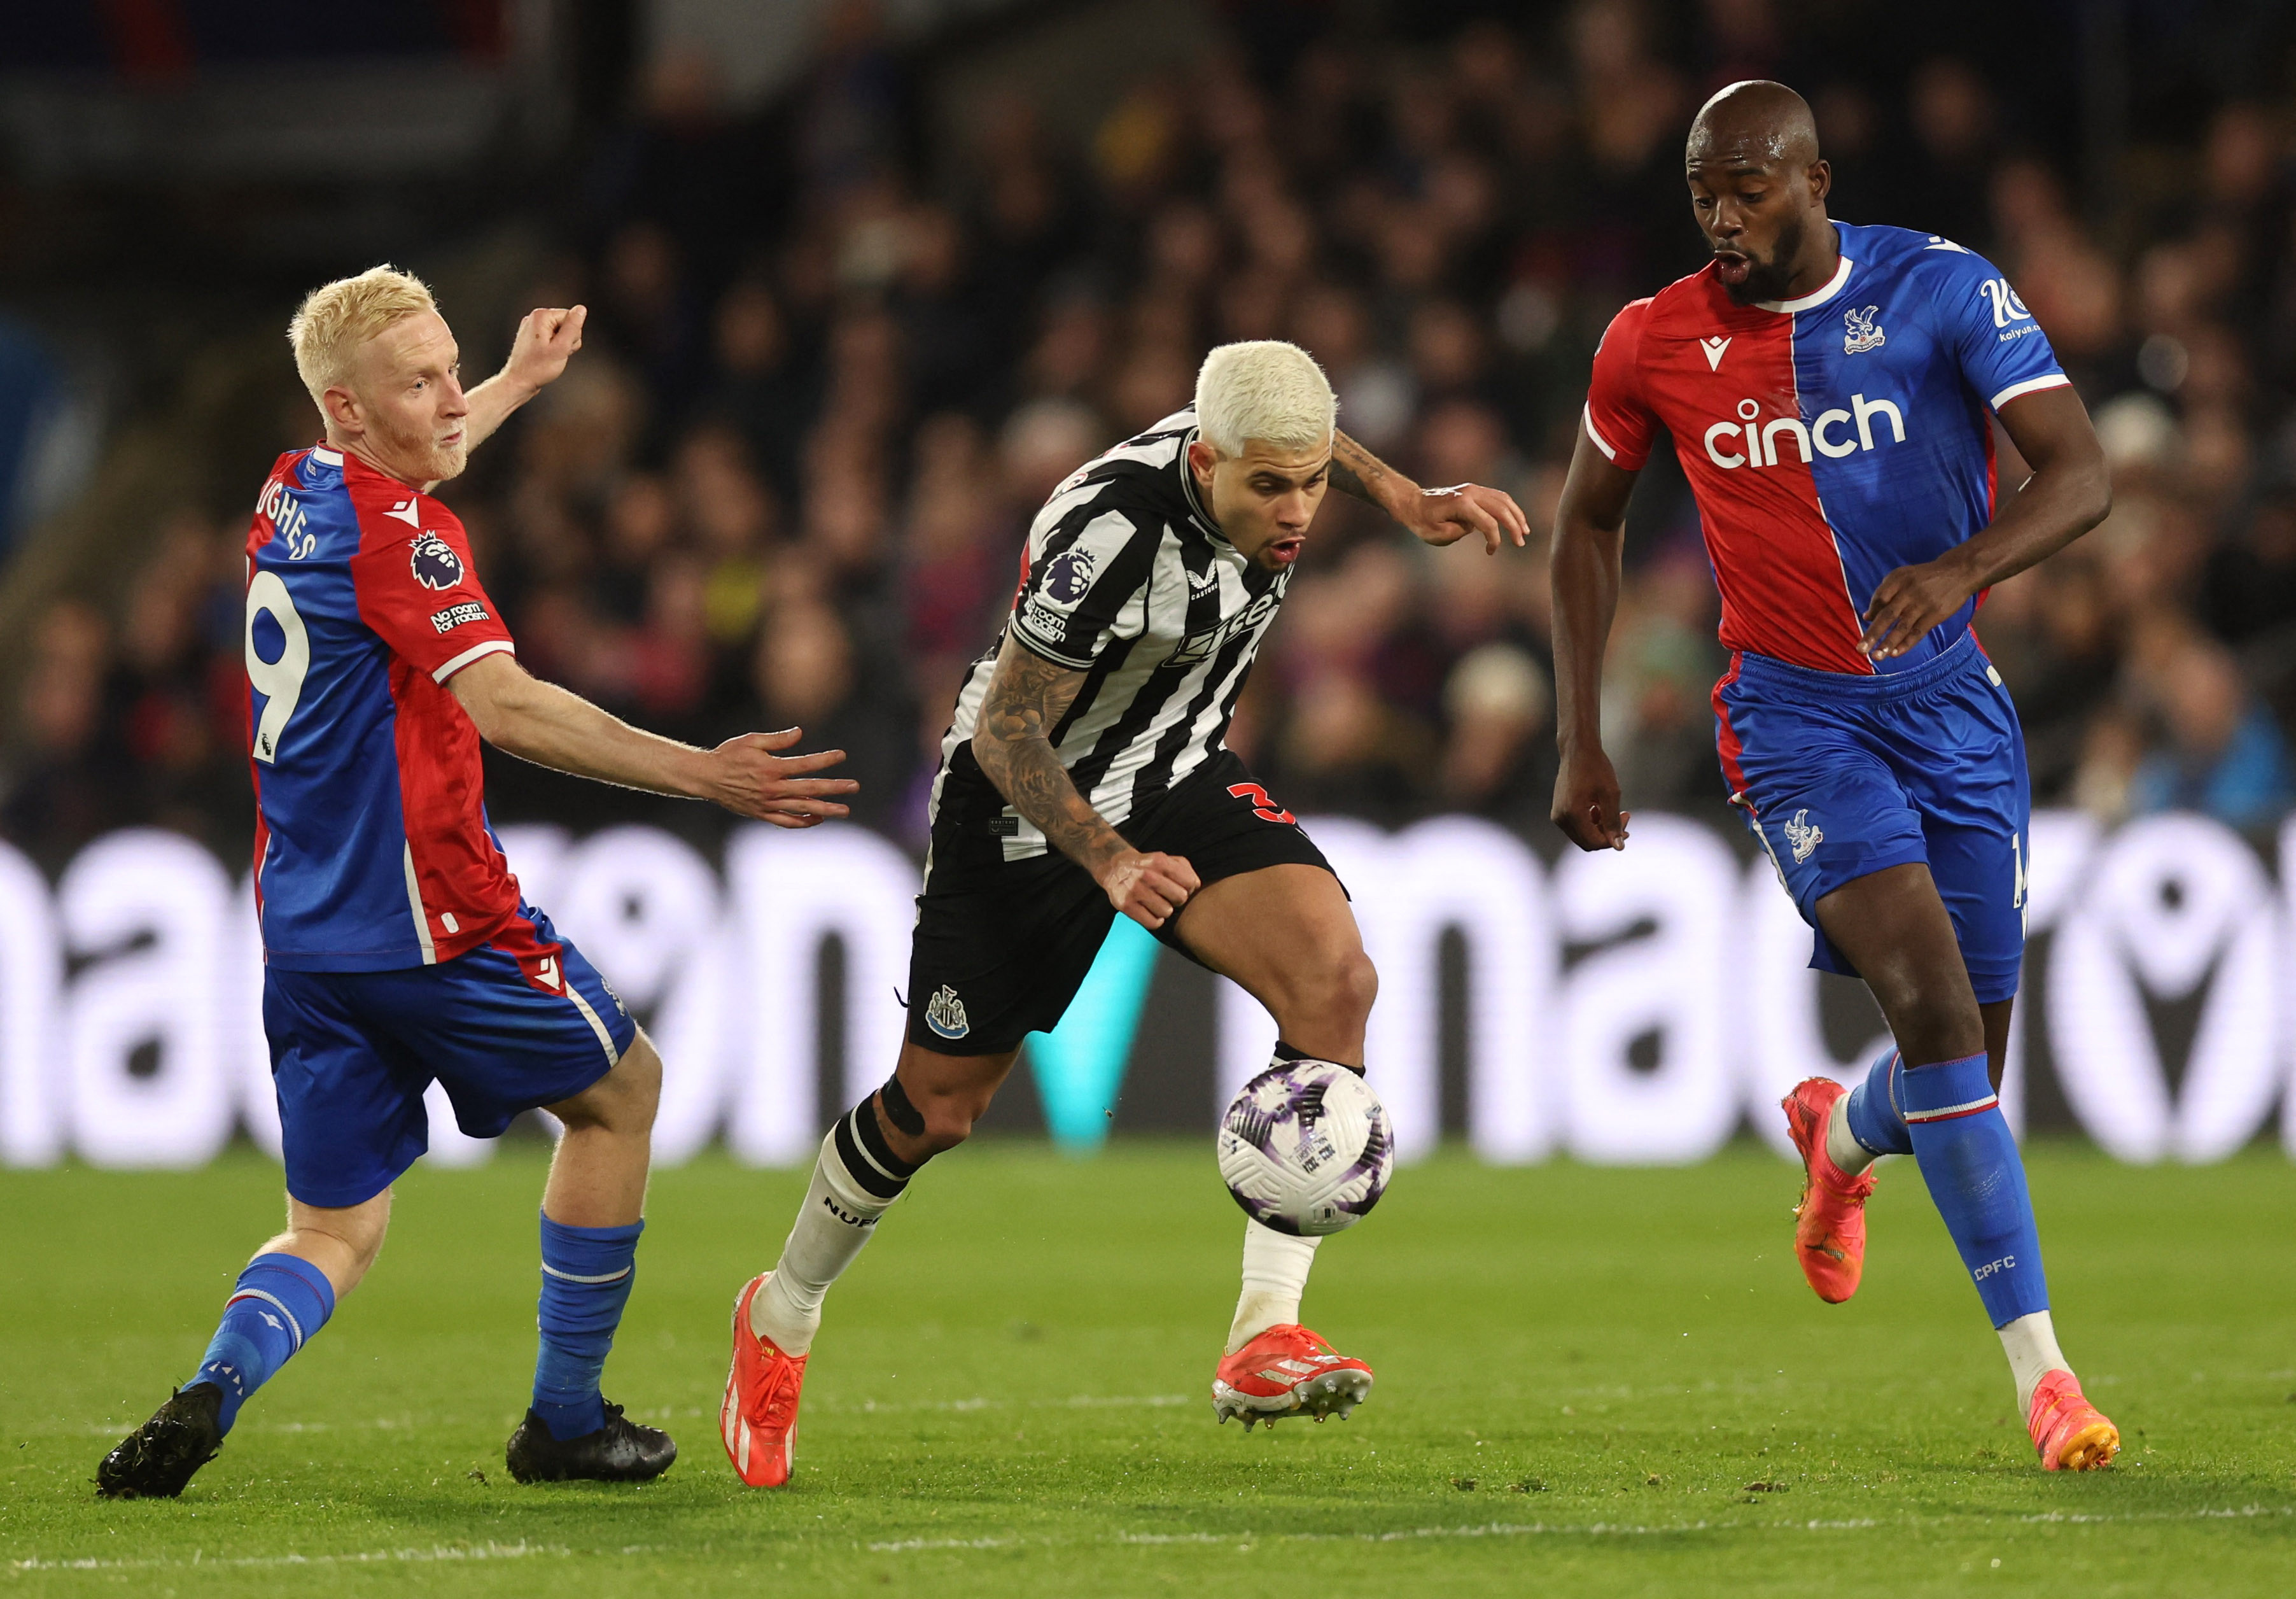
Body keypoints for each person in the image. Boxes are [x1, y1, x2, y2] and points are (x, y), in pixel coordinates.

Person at [96, 266, 857, 1498]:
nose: (452, 397)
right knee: (622, 1090)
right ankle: (563, 1419)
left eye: (454, 366)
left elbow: (417, 454)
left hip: (305, 934)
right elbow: (505, 705)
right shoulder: (406, 537)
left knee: (334, 1227)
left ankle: (213, 1384)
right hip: (433, 916)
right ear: (349, 409)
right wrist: (703, 773)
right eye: (424, 380)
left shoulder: (292, 489)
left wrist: (514, 384)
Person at [719, 341, 1528, 1487]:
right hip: (1021, 806)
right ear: (1205, 464)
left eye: (1310, 481)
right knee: (938, 1110)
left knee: (1334, 981)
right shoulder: (1109, 540)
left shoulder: (1265, 452)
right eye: (1270, 488)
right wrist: (1105, 861)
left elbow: (1308, 439)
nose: (1297, 512)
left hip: (1176, 770)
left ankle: (1263, 1334)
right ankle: (781, 1310)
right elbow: (1006, 731)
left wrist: (1404, 494)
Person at [1549, 82, 2122, 1472]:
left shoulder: (1939, 289)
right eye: (1703, 195)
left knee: (1958, 1077)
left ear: (1814, 178)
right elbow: (1583, 525)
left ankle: (1838, 1133)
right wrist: (1581, 731)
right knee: (1926, 1003)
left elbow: (2081, 473)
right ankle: (2047, 1382)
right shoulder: (1652, 342)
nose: (1723, 217)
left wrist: (1959, 570)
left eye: (1747, 187)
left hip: (1953, 707)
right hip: (1794, 716)